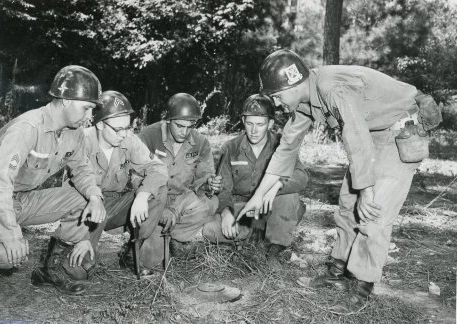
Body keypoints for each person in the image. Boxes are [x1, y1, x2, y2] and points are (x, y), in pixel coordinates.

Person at [237, 49, 442, 311]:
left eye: (276, 96)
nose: (276, 104)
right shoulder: (302, 100)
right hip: (373, 131)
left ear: (294, 83)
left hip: (401, 128)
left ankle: (362, 287)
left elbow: (355, 135)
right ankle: (338, 272)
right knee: (348, 204)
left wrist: (367, 189)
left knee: (373, 211)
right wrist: (259, 194)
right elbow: (287, 147)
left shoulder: (331, 87)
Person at [0, 65, 107, 295]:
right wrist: (11, 236)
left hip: (18, 200)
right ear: (66, 100)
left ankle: (51, 270)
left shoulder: (73, 132)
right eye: (87, 108)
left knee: (82, 199)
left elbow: (83, 170)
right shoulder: (28, 128)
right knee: (6, 256)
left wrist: (95, 197)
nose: (90, 117)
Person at [61, 90, 168, 278]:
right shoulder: (81, 141)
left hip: (116, 205)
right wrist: (82, 237)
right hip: (86, 209)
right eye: (119, 129)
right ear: (100, 124)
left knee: (158, 191)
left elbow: (158, 169)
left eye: (128, 127)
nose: (125, 134)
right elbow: (66, 196)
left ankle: (132, 250)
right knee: (77, 272)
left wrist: (142, 196)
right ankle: (70, 248)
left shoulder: (128, 140)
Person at [202, 94, 308, 265]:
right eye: (250, 123)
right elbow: (223, 188)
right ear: (243, 120)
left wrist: (277, 186)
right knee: (209, 230)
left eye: (260, 124)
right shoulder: (230, 148)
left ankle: (274, 248)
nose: (254, 130)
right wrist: (227, 214)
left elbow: (301, 176)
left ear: (270, 123)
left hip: (273, 206)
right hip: (244, 209)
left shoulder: (282, 145)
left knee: (289, 196)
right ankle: (254, 234)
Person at [138, 93, 222, 267]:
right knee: (149, 263)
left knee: (210, 203)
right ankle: (141, 238)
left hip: (180, 198)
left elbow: (204, 175)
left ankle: (174, 239)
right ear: (168, 119)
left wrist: (208, 182)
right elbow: (136, 178)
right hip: (153, 199)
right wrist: (160, 209)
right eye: (179, 126)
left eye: (190, 126)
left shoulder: (200, 142)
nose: (184, 132)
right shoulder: (149, 136)